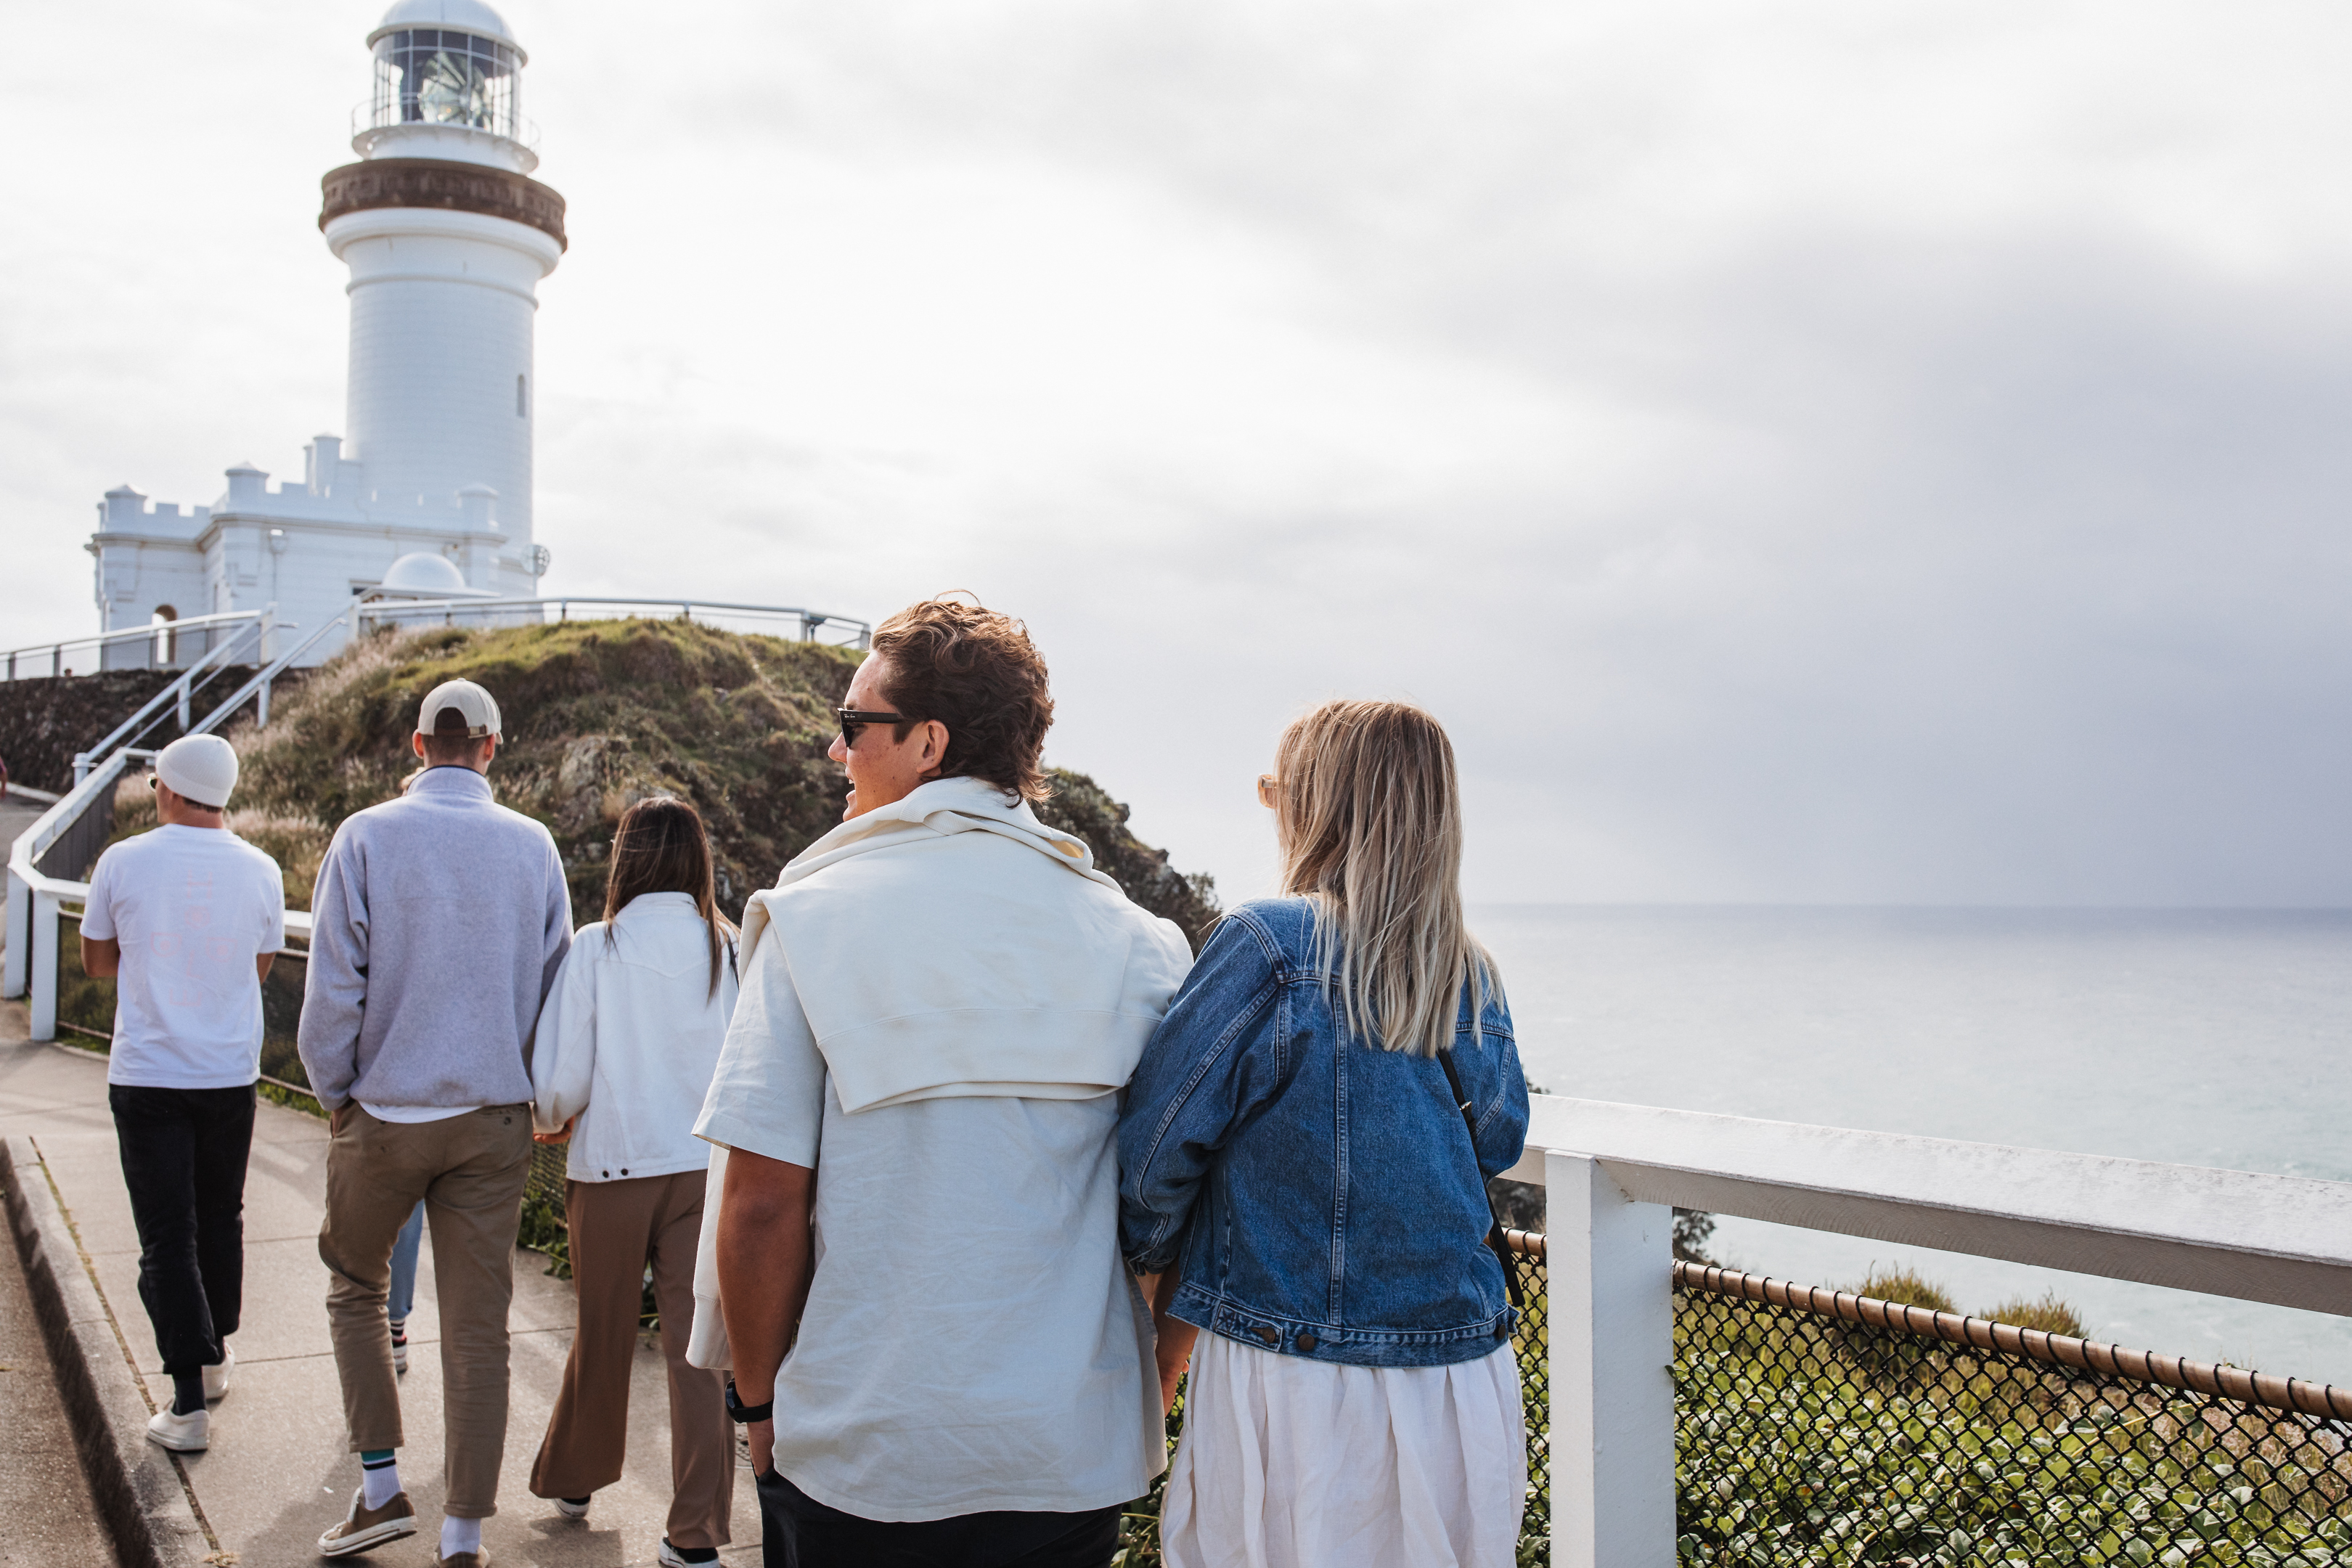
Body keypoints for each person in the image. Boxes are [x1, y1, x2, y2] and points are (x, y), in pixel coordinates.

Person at [693, 597, 1193, 1567]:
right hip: (1065, 1446)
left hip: (862, 1448)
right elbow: (1190, 1195)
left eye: (853, 727)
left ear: (927, 743)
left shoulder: (810, 922)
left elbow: (760, 1206)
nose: (837, 752)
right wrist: (1154, 1381)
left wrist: (757, 1404)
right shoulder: (1144, 945)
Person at [1117, 699, 1532, 1568]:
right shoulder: (1472, 975)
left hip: (1292, 1374)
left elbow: (1154, 1156)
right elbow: (1493, 1139)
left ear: (1318, 807)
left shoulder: (1271, 945)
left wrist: (1152, 1285)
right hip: (1463, 1383)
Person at [297, 678, 573, 1567]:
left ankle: (380, 1489)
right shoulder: (533, 847)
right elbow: (555, 985)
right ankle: (462, 1534)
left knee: (356, 1283)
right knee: (479, 1326)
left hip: (384, 1111)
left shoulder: (367, 836)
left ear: (418, 747)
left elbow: (333, 985)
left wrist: (336, 1091)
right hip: (492, 1120)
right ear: (494, 746)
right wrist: (535, 1093)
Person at [526, 795, 740, 1568]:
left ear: (627, 859)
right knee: (700, 1351)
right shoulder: (730, 946)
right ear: (696, 861)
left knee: (602, 1327)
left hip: (613, 1165)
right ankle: (695, 1538)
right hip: (705, 1170)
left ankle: (577, 1478)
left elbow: (559, 1075)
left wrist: (550, 1117)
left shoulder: (598, 946)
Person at [78, 733, 285, 1453]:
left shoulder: (124, 861)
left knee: (168, 1236)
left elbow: (98, 964)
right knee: (219, 1217)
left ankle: (187, 1402)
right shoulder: (262, 868)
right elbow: (258, 969)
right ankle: (217, 1354)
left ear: (165, 789)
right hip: (229, 1071)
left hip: (150, 1074)